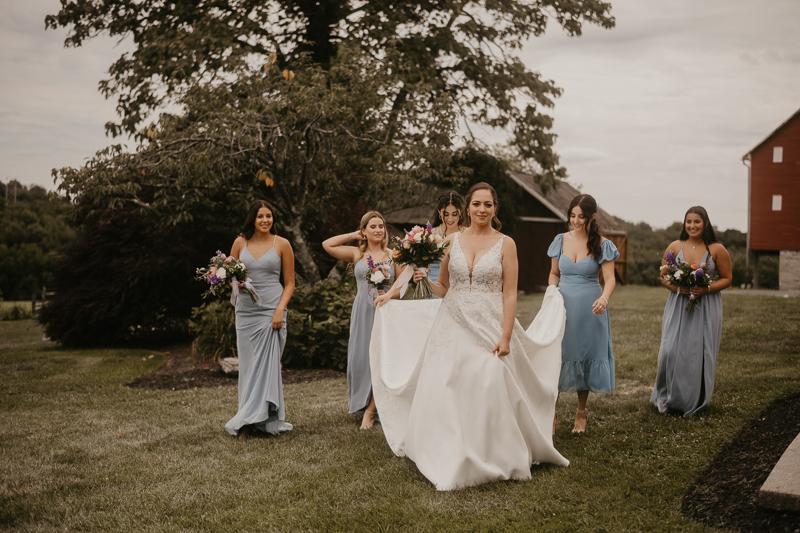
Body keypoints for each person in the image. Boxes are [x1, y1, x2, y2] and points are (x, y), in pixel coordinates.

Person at [371, 182, 569, 491]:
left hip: (490, 322)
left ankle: (494, 453)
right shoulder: (451, 240)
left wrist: (505, 336)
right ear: (468, 208)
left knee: (489, 380)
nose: (481, 209)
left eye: (487, 204)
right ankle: (452, 451)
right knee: (450, 383)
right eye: (476, 204)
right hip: (453, 320)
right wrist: (425, 278)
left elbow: (509, 295)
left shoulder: (507, 244)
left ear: (495, 208)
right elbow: (444, 287)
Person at [548, 194, 619, 434]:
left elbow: (610, 279)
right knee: (558, 355)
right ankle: (552, 412)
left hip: (591, 306)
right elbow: (554, 274)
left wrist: (604, 298)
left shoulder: (602, 244)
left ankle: (581, 412)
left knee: (585, 354)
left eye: (581, 217)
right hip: (562, 305)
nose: (576, 221)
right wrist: (551, 292)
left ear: (592, 217)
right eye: (572, 216)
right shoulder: (559, 240)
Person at [651, 206, 731, 417]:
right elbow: (662, 275)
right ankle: (667, 394)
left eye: (697, 221)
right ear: (684, 223)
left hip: (706, 306)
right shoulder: (675, 246)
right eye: (689, 221)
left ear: (705, 223)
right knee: (669, 350)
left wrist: (706, 288)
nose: (692, 226)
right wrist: (678, 287)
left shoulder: (717, 249)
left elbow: (727, 278)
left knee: (696, 353)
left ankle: (692, 399)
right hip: (678, 304)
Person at [225, 200, 295, 440]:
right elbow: (229, 276)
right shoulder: (239, 243)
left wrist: (279, 310)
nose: (265, 220)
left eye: (269, 216)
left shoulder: (283, 244)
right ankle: (248, 417)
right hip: (245, 313)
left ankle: (257, 420)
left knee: (266, 367)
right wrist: (237, 283)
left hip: (271, 312)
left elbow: (290, 284)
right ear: (252, 219)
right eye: (260, 216)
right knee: (248, 367)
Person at [322, 211, 398, 429]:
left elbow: (403, 286)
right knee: (362, 359)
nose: (378, 230)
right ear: (364, 230)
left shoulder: (393, 255)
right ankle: (364, 402)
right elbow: (327, 244)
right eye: (372, 226)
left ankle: (371, 411)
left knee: (382, 359)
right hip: (362, 311)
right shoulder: (357, 254)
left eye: (381, 226)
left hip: (386, 311)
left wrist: (389, 295)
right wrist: (354, 235)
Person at [428, 191, 464, 283]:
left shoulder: (468, 234)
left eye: (454, 214)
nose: (450, 219)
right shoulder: (430, 234)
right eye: (446, 214)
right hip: (433, 286)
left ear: (460, 211)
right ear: (439, 212)